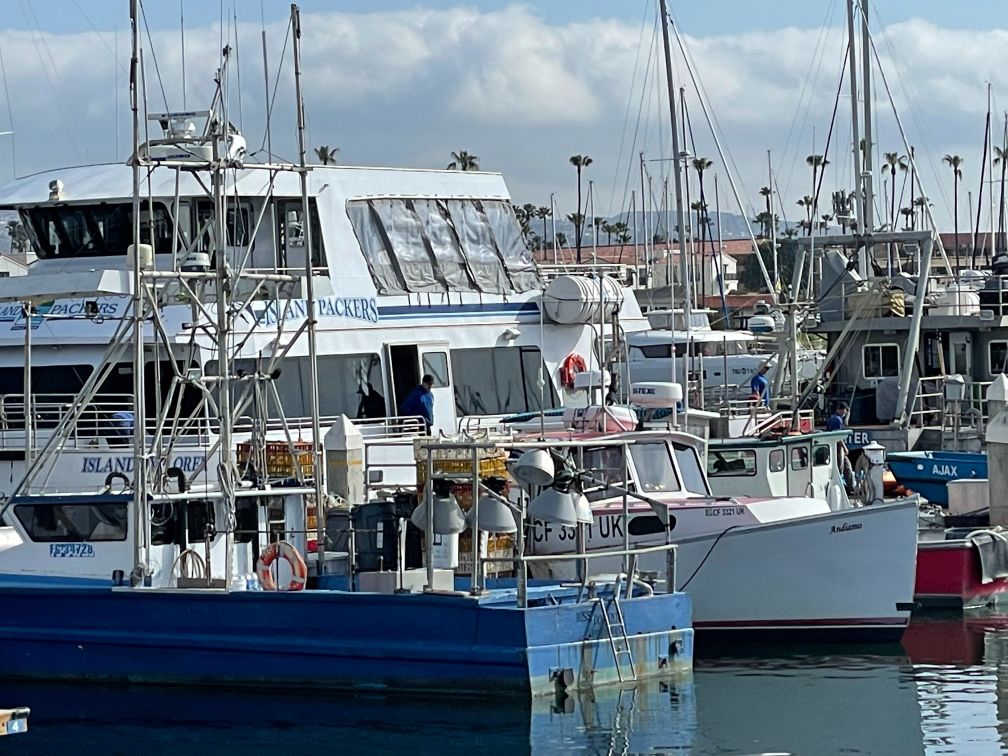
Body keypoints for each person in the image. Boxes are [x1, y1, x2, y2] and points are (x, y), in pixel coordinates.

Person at [825, 401, 855, 490]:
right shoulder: (836, 419)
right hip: (837, 447)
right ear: (842, 410)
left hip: (838, 447)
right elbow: (837, 436)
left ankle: (850, 488)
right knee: (840, 467)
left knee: (847, 467)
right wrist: (844, 448)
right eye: (845, 411)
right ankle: (840, 487)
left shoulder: (836, 418)